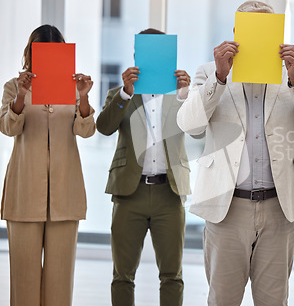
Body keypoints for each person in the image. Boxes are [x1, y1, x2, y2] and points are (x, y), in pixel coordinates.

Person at [176, 0, 294, 306]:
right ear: (236, 32)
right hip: (226, 208)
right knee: (223, 299)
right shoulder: (208, 72)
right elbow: (189, 125)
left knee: (274, 300)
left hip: (279, 207)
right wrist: (220, 77)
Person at [0, 24, 95, 305]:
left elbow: (86, 130)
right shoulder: (13, 87)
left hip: (66, 195)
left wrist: (85, 96)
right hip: (25, 192)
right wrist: (20, 95)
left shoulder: (75, 88)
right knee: (24, 282)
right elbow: (8, 128)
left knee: (59, 285)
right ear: (30, 53)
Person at [96, 28, 192, 306]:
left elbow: (198, 132)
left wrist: (186, 96)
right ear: (136, 55)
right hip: (129, 193)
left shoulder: (180, 94)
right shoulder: (119, 94)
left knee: (172, 275)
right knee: (122, 275)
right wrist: (125, 94)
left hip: (170, 194)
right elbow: (104, 128)